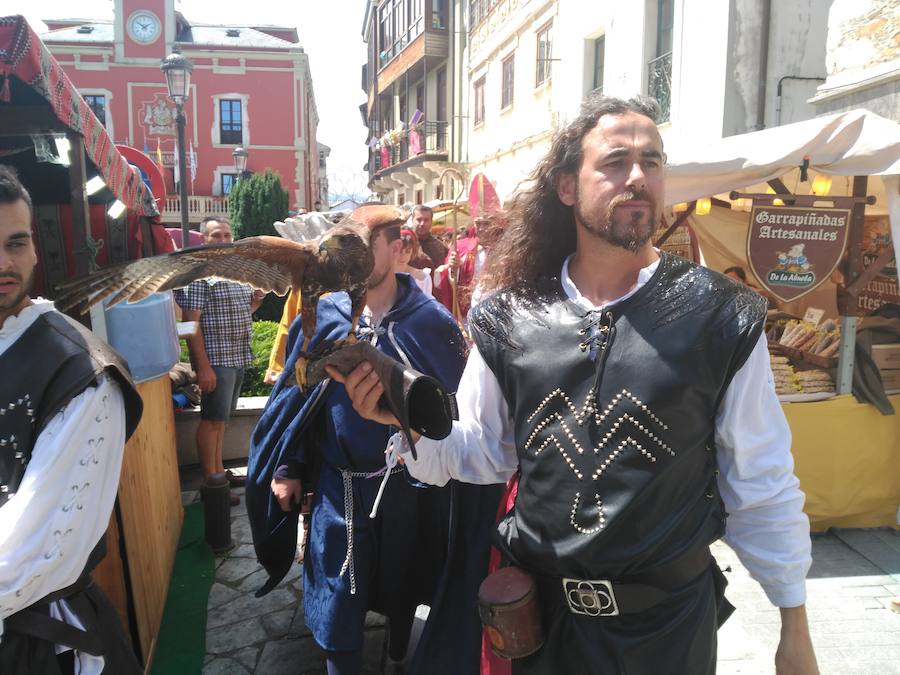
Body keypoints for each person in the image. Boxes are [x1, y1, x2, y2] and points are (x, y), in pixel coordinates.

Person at [332, 95, 819, 674]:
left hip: (669, 631)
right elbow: (483, 454)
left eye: (651, 161)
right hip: (541, 630)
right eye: (615, 161)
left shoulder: (720, 316)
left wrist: (794, 625)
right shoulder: (508, 317)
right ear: (568, 187)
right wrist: (402, 423)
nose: (637, 177)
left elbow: (760, 479)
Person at [246, 205, 502, 675]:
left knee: (404, 590)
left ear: (398, 247)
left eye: (369, 243)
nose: (354, 254)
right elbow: (297, 399)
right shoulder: (325, 311)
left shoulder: (434, 323)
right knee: (337, 605)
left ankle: (400, 653)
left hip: (410, 490)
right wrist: (290, 465)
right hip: (337, 489)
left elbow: (460, 418)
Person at [0, 166, 144, 674]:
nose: (4, 263)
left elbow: (28, 558)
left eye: (16, 243)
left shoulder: (83, 373)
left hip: (36, 649)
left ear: (35, 247)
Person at [175, 217, 264, 495]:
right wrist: (202, 367)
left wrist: (257, 300)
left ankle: (219, 473)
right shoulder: (200, 271)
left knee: (221, 421)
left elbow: (240, 312)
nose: (224, 240)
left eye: (227, 235)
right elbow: (189, 324)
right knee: (211, 421)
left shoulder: (235, 271)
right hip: (216, 360)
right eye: (216, 235)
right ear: (204, 239)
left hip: (237, 357)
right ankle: (212, 483)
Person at [409, 205, 447, 270]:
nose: (422, 224)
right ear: (412, 220)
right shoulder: (403, 244)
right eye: (419, 220)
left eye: (426, 220)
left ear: (431, 222)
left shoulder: (439, 247)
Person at [398, 227, 433, 295]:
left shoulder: (422, 278)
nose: (403, 256)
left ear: (412, 252)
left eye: (407, 251)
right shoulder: (383, 277)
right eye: (400, 251)